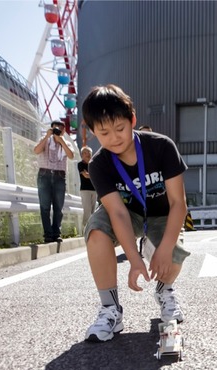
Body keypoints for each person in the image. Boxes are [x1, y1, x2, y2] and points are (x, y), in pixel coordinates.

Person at [81, 84, 190, 342]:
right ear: (93, 132)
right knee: (96, 232)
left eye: (120, 128)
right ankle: (110, 308)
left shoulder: (161, 147)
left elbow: (178, 203)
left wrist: (164, 248)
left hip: (162, 213)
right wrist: (134, 259)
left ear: (133, 120)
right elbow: (117, 213)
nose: (114, 138)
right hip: (128, 213)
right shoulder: (98, 164)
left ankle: (164, 290)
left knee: (173, 253)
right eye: (104, 132)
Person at [34, 119, 76, 243]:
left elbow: (71, 155)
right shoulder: (45, 139)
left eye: (61, 128)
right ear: (51, 129)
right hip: (44, 174)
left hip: (59, 176)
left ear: (64, 130)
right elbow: (36, 150)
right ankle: (48, 234)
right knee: (45, 206)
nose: (58, 130)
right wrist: (47, 136)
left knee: (59, 206)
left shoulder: (66, 143)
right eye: (55, 128)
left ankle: (56, 233)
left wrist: (61, 140)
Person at [77, 146, 97, 230]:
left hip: (94, 189)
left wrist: (91, 175)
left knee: (93, 210)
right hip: (85, 190)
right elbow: (85, 175)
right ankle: (84, 228)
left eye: (89, 152)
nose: (88, 154)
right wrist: (94, 175)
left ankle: (91, 228)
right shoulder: (81, 164)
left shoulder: (94, 164)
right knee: (87, 210)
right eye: (85, 152)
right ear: (82, 155)